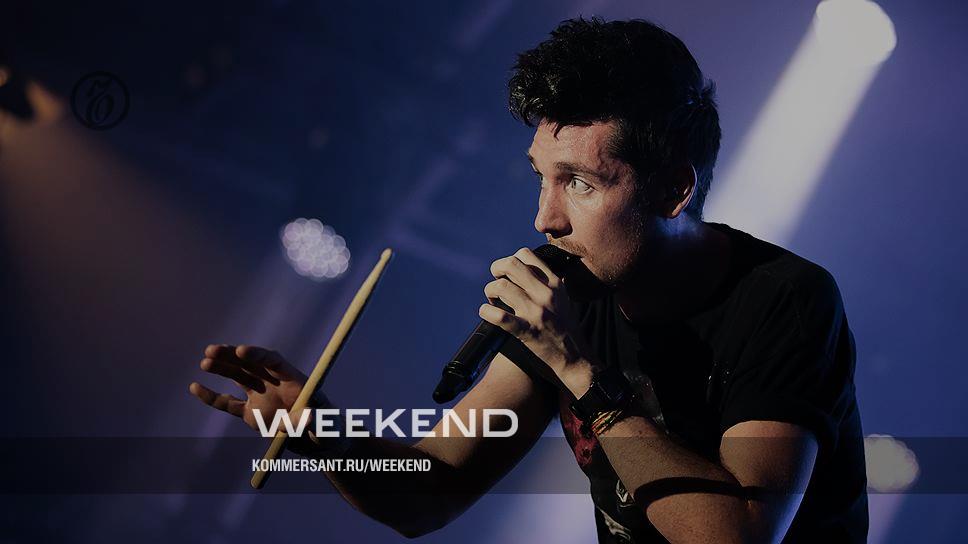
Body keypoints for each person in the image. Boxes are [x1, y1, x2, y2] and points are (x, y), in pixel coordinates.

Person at [189, 17, 867, 542]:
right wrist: (326, 434)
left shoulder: (783, 298)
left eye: (580, 183)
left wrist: (581, 373)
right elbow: (428, 493)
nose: (545, 218)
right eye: (542, 176)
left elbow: (739, 536)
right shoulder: (576, 292)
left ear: (672, 190)